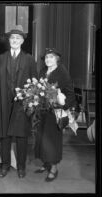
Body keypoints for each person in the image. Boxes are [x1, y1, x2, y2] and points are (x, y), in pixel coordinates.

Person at [0, 25, 37, 178]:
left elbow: (34, 83)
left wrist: (31, 102)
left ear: (22, 41)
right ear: (9, 40)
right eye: (12, 38)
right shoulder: (0, 59)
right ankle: (5, 165)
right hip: (3, 102)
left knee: (22, 137)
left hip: (22, 105)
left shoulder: (30, 59)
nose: (15, 40)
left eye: (18, 38)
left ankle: (21, 167)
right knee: (4, 136)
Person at [34, 48, 76, 182]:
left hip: (55, 112)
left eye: (51, 57)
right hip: (42, 111)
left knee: (52, 141)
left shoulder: (62, 72)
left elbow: (70, 95)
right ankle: (46, 162)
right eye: (46, 57)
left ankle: (53, 168)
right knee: (42, 139)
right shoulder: (42, 71)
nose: (48, 60)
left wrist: (62, 105)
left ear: (57, 59)